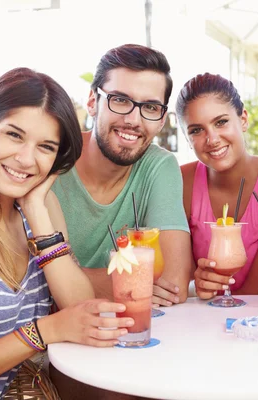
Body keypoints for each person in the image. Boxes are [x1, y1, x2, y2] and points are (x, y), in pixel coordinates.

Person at [0, 68, 132, 399]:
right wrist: (44, 330)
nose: (26, 159)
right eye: (14, 135)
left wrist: (35, 210)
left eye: (45, 146)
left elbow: (81, 308)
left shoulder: (41, 212)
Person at [51, 44, 192, 306]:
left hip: (125, 334)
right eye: (120, 100)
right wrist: (135, 282)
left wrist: (60, 279)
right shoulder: (51, 159)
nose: (133, 120)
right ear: (93, 102)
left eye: (150, 107)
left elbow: (172, 285)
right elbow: (22, 284)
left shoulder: (159, 166)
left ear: (161, 120)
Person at [176, 73, 258, 298]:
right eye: (196, 130)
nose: (212, 139)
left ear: (243, 119)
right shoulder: (181, 182)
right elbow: (179, 280)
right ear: (187, 138)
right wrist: (196, 286)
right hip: (199, 321)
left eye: (221, 122)